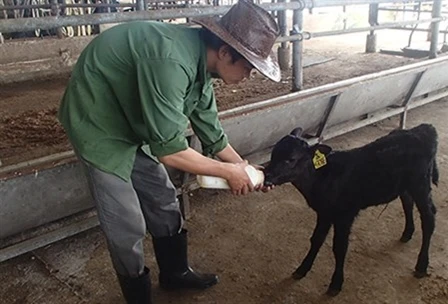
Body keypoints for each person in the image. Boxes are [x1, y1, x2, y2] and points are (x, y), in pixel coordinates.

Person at [57, 0, 281, 303]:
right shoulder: (172, 63)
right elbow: (171, 152)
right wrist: (229, 172)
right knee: (127, 222)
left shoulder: (203, 65)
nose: (248, 76)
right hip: (99, 123)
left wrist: (247, 170)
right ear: (226, 52)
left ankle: (175, 274)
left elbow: (211, 132)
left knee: (163, 198)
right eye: (249, 67)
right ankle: (139, 297)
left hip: (134, 117)